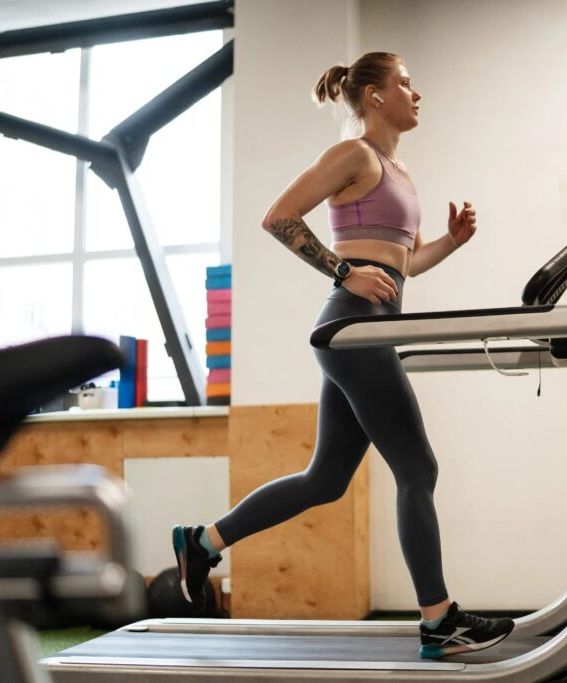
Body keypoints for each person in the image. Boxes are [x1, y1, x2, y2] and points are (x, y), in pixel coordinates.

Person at [171, 52, 514, 659]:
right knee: (419, 469)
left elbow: (401, 268)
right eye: (405, 82)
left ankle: (203, 542)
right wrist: (343, 269)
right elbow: (279, 217)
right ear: (375, 96)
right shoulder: (353, 154)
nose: (416, 92)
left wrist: (450, 243)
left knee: (326, 479)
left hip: (369, 330)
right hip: (352, 327)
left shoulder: (396, 169)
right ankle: (439, 622)